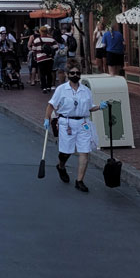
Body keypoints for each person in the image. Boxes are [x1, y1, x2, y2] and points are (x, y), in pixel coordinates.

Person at [44, 60, 109, 193]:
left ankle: (79, 181)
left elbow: (89, 107)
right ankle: (61, 166)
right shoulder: (61, 89)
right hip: (66, 123)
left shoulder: (86, 90)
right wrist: (47, 118)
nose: (75, 75)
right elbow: (51, 105)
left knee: (84, 151)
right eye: (72, 73)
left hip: (83, 123)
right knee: (66, 152)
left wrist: (99, 107)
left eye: (77, 73)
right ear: (68, 74)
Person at [31, 26, 56, 94]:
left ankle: (44, 87)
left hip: (40, 58)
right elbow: (56, 47)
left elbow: (34, 49)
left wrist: (35, 57)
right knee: (49, 73)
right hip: (49, 58)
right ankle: (49, 86)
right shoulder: (51, 39)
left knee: (42, 73)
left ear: (40, 32)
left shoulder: (36, 40)